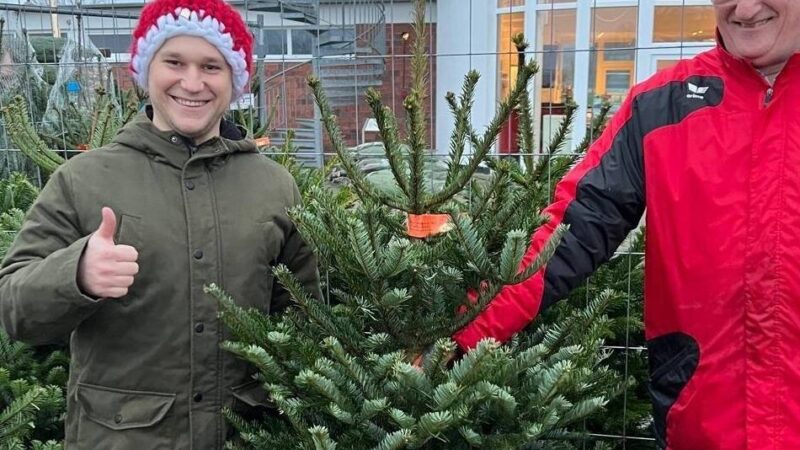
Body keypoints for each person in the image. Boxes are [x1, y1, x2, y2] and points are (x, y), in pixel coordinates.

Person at [452, 1, 800, 449]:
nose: (745, 8)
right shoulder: (660, 106)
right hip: (700, 429)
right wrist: (457, 335)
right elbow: (571, 232)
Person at [0, 0, 321, 447]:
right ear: (146, 69)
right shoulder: (83, 180)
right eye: (174, 62)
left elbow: (304, 317)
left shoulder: (274, 186)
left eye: (211, 66)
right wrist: (76, 274)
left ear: (234, 81)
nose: (192, 82)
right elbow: (13, 309)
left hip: (244, 435)